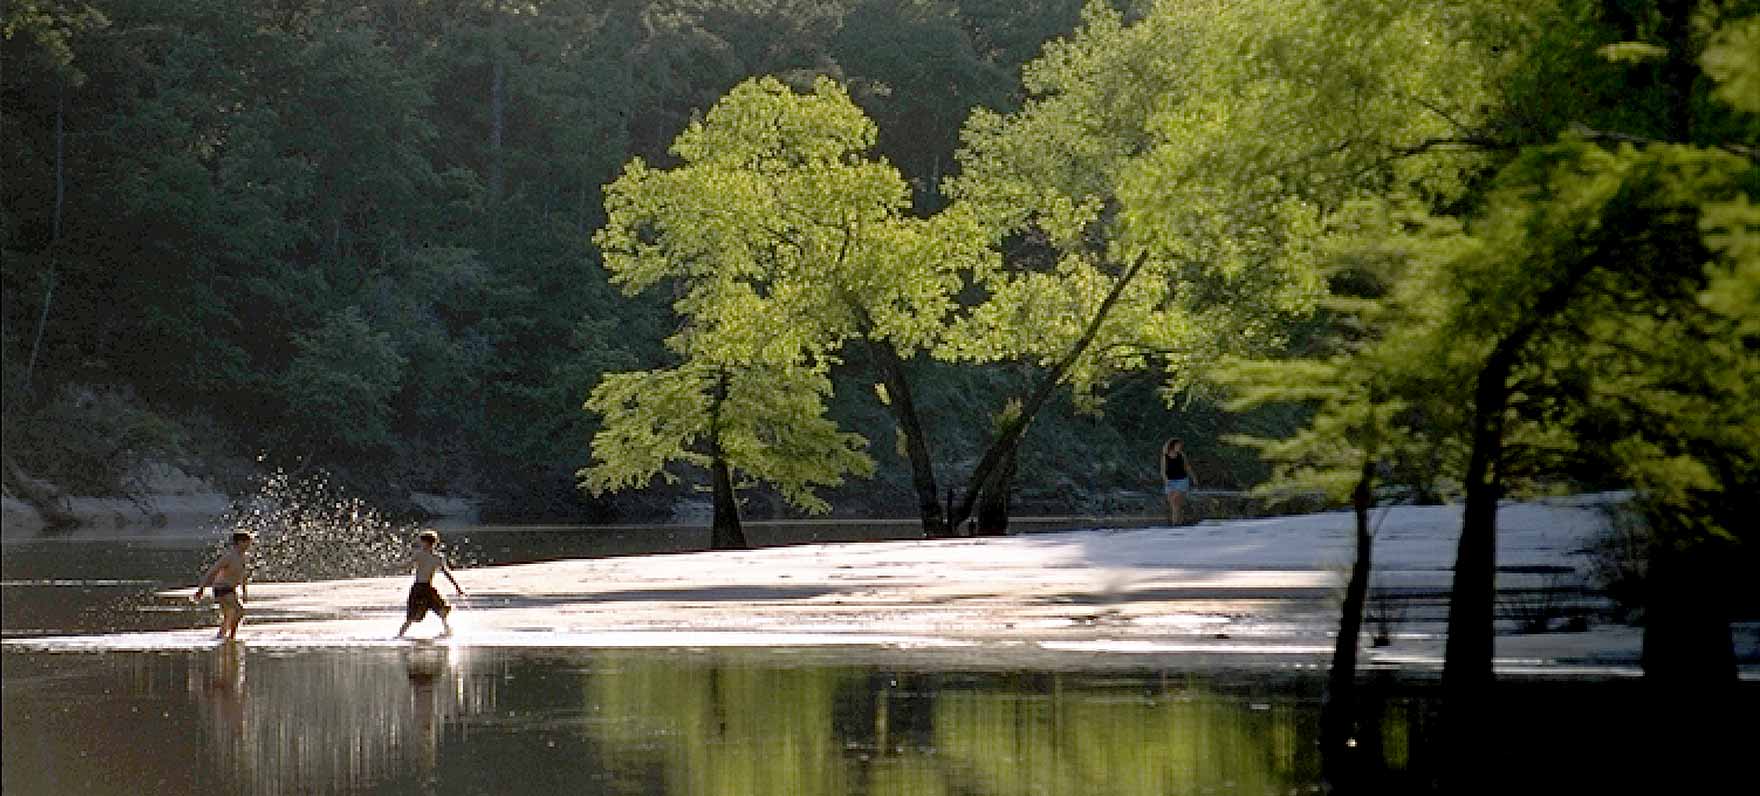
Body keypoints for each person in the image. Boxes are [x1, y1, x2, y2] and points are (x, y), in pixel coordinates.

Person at [397, 530, 465, 638]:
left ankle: (448, 631)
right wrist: (398, 566)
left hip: (428, 588)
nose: (420, 544)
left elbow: (446, 573)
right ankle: (400, 635)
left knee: (442, 610)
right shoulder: (419, 554)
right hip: (418, 588)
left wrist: (457, 588)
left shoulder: (437, 557)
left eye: (422, 542)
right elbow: (407, 564)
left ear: (429, 543)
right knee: (412, 616)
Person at [194, 531, 254, 640]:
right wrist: (201, 589)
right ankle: (232, 637)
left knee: (228, 617)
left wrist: (245, 593)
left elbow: (244, 576)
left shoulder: (244, 557)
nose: (249, 545)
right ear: (239, 542)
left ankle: (220, 637)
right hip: (222, 588)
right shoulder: (229, 557)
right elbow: (212, 572)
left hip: (231, 589)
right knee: (239, 611)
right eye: (247, 542)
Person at [1161, 437, 1198, 526]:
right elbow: (1163, 470)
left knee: (1175, 501)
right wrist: (1166, 480)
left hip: (1182, 481)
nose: (1180, 447)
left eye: (1180, 445)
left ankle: (1175, 524)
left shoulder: (1181, 455)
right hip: (1170, 482)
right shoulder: (1165, 457)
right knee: (1175, 505)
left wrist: (1194, 478)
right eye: (1178, 445)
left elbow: (1187, 467)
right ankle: (1179, 522)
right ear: (1172, 446)